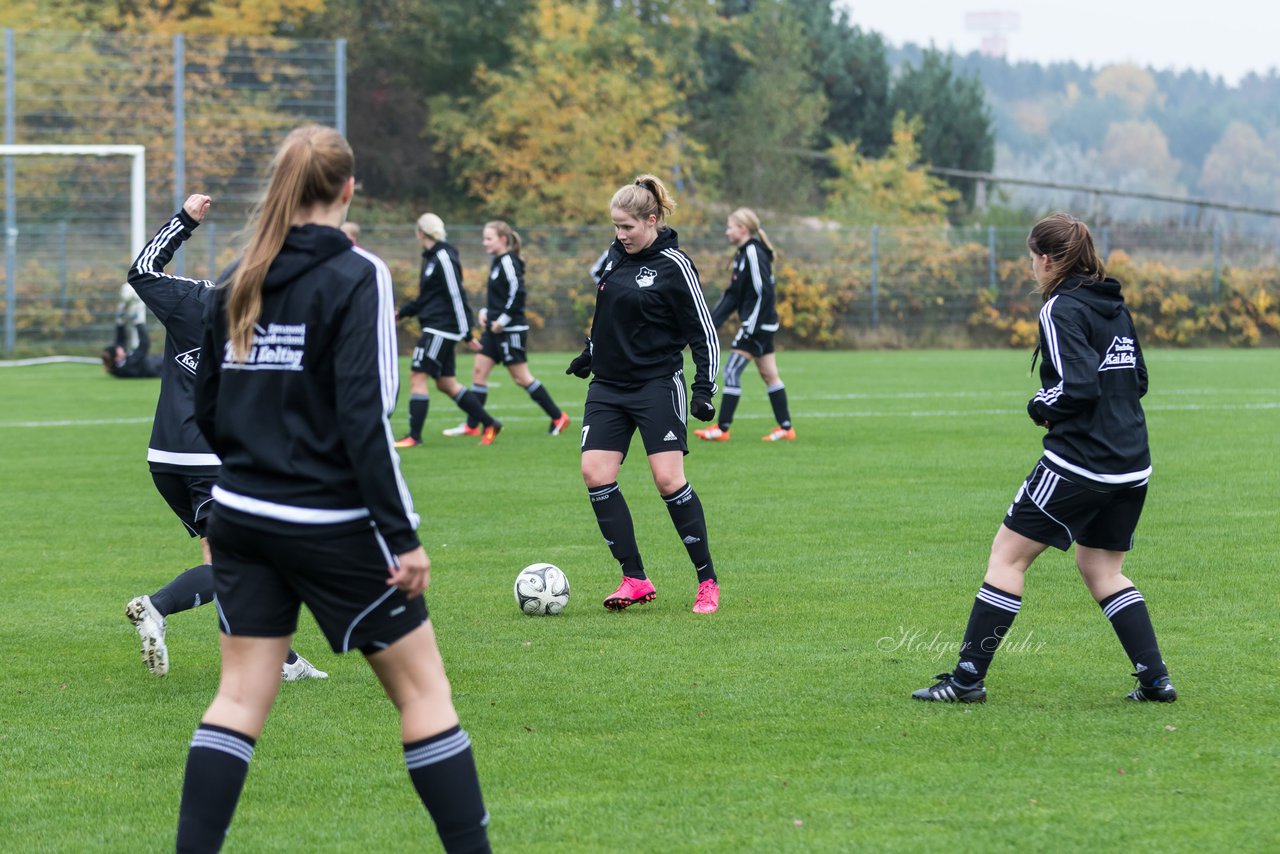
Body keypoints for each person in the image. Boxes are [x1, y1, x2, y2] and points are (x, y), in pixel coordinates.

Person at [180, 125, 490, 853]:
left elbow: (207, 407)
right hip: (329, 522)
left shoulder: (235, 274)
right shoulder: (359, 273)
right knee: (424, 694)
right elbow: (366, 416)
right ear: (348, 190)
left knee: (237, 699)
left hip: (241, 517)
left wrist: (255, 470)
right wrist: (403, 536)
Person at [912, 212, 1176, 704]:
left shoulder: (1059, 309)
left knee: (1007, 558)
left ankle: (967, 678)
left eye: (1032, 259)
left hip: (1081, 463)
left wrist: (1040, 405)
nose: (1031, 268)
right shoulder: (1113, 304)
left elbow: (1077, 387)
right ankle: (1156, 680)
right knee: (1102, 568)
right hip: (1132, 463)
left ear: (1048, 259)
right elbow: (1137, 380)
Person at [122, 193, 326, 682]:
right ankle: (157, 606)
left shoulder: (195, 299)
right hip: (220, 461)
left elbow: (142, 271)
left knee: (228, 558)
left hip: (166, 457)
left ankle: (279, 660)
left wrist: (184, 221)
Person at [564, 174, 722, 614]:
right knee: (595, 472)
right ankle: (634, 577)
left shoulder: (675, 264)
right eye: (615, 227)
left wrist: (704, 388)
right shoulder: (615, 258)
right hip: (609, 386)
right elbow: (607, 315)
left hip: (656, 383)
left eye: (627, 227)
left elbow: (703, 331)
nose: (620, 235)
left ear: (651, 220)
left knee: (668, 480)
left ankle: (706, 580)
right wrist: (590, 352)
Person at [443, 220, 570, 439]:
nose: (484, 243)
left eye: (488, 238)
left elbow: (517, 293)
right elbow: (500, 297)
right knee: (479, 372)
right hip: (494, 330)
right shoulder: (497, 262)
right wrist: (485, 312)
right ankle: (473, 425)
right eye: (484, 238)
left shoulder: (510, 261)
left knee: (521, 378)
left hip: (511, 330)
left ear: (502, 239)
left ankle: (558, 416)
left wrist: (502, 320)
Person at [393, 213, 501, 448]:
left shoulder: (443, 256)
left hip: (440, 329)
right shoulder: (430, 258)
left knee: (417, 376)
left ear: (420, 233)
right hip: (437, 326)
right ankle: (490, 422)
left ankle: (414, 436)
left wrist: (467, 334)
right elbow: (427, 298)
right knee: (446, 383)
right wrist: (401, 314)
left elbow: (457, 295)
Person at [695, 207, 795, 443]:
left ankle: (722, 428)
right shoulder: (743, 254)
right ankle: (786, 428)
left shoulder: (752, 252)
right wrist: (709, 324)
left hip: (756, 326)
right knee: (769, 374)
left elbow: (763, 292)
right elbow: (732, 296)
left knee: (731, 371)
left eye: (730, 227)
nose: (727, 232)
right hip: (762, 325)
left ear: (742, 229)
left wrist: (751, 325)